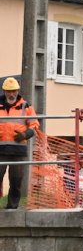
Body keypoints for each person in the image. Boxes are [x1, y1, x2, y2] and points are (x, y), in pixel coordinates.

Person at [0, 77, 38, 209]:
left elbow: (34, 125)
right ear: (4, 91)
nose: (12, 94)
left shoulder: (26, 106)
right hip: (1, 149)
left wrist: (25, 135)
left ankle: (12, 206)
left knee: (16, 180)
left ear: (18, 91)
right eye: (9, 91)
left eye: (14, 91)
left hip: (18, 150)